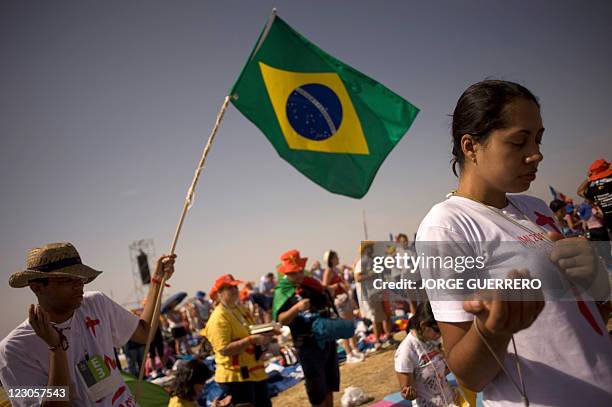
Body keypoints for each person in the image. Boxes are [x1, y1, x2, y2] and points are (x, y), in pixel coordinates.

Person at [415, 80, 612, 406]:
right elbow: (469, 377)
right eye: (519, 142)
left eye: (538, 139)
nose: (536, 154)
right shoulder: (446, 225)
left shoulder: (535, 207)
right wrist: (493, 330)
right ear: (470, 146)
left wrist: (596, 279)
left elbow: (579, 321)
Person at [0, 242, 176, 406]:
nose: (79, 286)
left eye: (80, 278)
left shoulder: (95, 303)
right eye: (67, 280)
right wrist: (56, 349)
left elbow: (144, 333)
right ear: (37, 287)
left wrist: (157, 282)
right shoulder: (13, 350)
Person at [273, 249, 340, 407]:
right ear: (286, 273)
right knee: (316, 387)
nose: (299, 275)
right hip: (307, 344)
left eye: (300, 271)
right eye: (294, 273)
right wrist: (296, 308)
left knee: (329, 382)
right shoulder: (282, 291)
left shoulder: (310, 283)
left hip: (326, 338)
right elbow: (281, 319)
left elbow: (326, 301)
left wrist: (328, 293)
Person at [202, 274, 272, 407]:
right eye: (229, 288)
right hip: (236, 377)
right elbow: (223, 350)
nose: (234, 290)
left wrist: (266, 331)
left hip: (254, 371)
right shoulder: (218, 318)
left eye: (235, 286)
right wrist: (250, 340)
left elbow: (251, 329)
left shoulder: (239, 308)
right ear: (219, 293)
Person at [395, 302, 460, 406]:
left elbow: (440, 372)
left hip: (451, 402)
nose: (440, 335)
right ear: (423, 325)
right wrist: (408, 393)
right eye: (437, 330)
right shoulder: (406, 351)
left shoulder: (432, 340)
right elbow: (406, 390)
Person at [322, 250, 364, 363]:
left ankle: (354, 349)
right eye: (336, 257)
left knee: (350, 325)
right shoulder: (328, 271)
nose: (338, 258)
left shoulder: (336, 270)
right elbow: (324, 287)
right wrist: (335, 286)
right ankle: (349, 353)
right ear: (331, 259)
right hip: (338, 301)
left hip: (345, 299)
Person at [353, 242, 393, 350]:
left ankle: (388, 337)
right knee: (376, 318)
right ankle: (377, 341)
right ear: (366, 249)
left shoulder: (373, 259)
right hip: (371, 294)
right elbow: (357, 278)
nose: (372, 249)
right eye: (370, 247)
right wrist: (371, 274)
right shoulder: (362, 261)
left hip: (379, 291)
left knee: (386, 315)